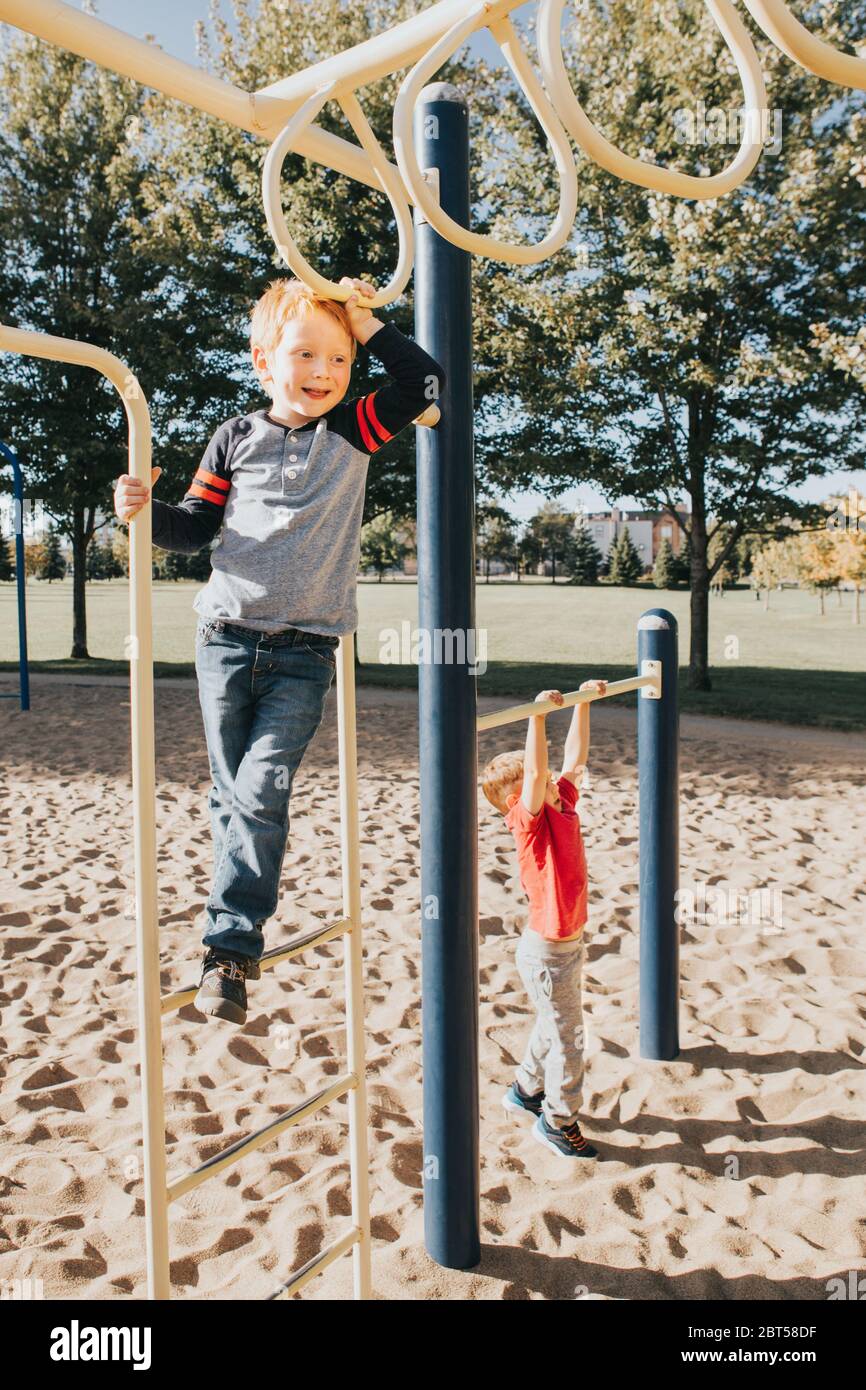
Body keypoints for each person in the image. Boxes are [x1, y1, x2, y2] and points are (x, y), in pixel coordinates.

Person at [114, 275, 445, 1024]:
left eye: (338, 358)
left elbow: (425, 379)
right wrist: (145, 512)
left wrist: (366, 323)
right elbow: (195, 528)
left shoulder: (355, 428)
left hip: (304, 652)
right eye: (304, 355)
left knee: (259, 791)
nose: (323, 372)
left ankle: (229, 949)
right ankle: (230, 928)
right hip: (225, 641)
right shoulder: (234, 437)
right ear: (264, 361)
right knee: (233, 793)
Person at [480, 679, 607, 1160]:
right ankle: (558, 1121)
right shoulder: (528, 824)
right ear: (516, 804)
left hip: (567, 947)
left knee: (553, 1024)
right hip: (546, 953)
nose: (550, 781)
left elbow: (572, 759)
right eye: (539, 784)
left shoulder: (563, 800)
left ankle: (525, 1092)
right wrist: (536, 715)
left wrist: (581, 703)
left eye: (550, 780)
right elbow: (534, 775)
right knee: (569, 1041)